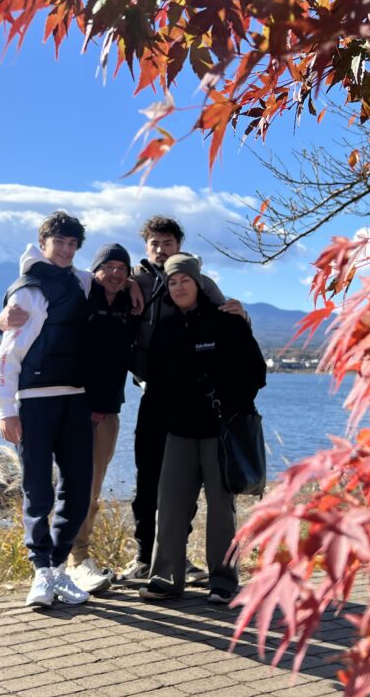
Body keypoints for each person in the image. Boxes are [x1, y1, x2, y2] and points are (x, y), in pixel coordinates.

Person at [119, 215, 247, 586]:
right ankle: (146, 557)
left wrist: (244, 313)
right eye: (155, 244)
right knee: (149, 477)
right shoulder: (135, 281)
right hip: (153, 394)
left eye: (168, 243)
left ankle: (181, 560)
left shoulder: (202, 283)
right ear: (146, 247)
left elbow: (231, 325)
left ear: (179, 245)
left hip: (195, 403)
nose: (161, 250)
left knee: (186, 482)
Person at [138, 253, 266, 603]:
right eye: (173, 281)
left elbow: (256, 375)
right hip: (178, 432)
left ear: (198, 284)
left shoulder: (226, 321)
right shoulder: (164, 331)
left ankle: (223, 581)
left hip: (218, 434)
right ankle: (165, 577)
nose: (179, 287)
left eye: (185, 280)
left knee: (221, 509)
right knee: (171, 506)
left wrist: (231, 409)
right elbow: (156, 383)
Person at [0, 211, 95, 608]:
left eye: (73, 244)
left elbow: (108, 278)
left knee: (78, 486)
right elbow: (7, 356)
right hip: (34, 402)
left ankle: (57, 569)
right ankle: (40, 572)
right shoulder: (28, 291)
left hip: (76, 397)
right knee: (37, 488)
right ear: (44, 242)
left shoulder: (81, 281)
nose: (67, 250)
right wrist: (6, 409)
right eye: (60, 243)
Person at [66, 243, 138, 594]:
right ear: (94, 271)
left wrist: (134, 283)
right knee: (74, 486)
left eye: (121, 268)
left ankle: (76, 557)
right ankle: (72, 560)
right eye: (107, 267)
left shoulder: (128, 303)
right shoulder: (81, 296)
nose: (115, 273)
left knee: (93, 489)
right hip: (76, 407)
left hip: (109, 410)